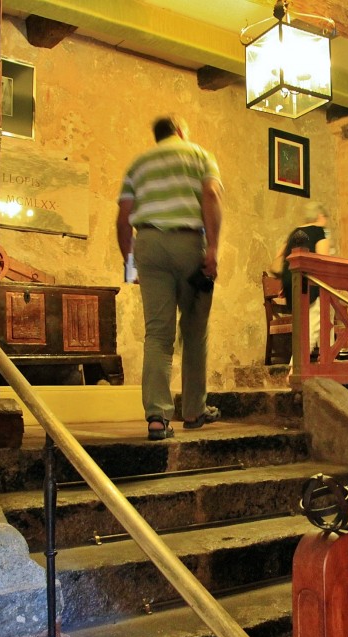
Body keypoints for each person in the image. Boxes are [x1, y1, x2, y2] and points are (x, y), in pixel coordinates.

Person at [116, 115, 223, 441]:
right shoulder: (199, 155)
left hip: (149, 245)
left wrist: (131, 264)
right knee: (193, 330)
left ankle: (158, 418)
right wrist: (214, 247)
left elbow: (123, 218)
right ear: (180, 130)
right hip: (188, 242)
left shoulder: (137, 165)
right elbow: (211, 196)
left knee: (158, 335)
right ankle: (193, 410)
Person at [272, 202, 332, 357]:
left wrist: (285, 280)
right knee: (313, 325)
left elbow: (279, 258)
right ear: (320, 216)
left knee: (302, 327)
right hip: (310, 284)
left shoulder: (295, 233)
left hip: (291, 283)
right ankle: (297, 368)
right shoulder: (319, 232)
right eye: (325, 218)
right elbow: (323, 261)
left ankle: (321, 359)